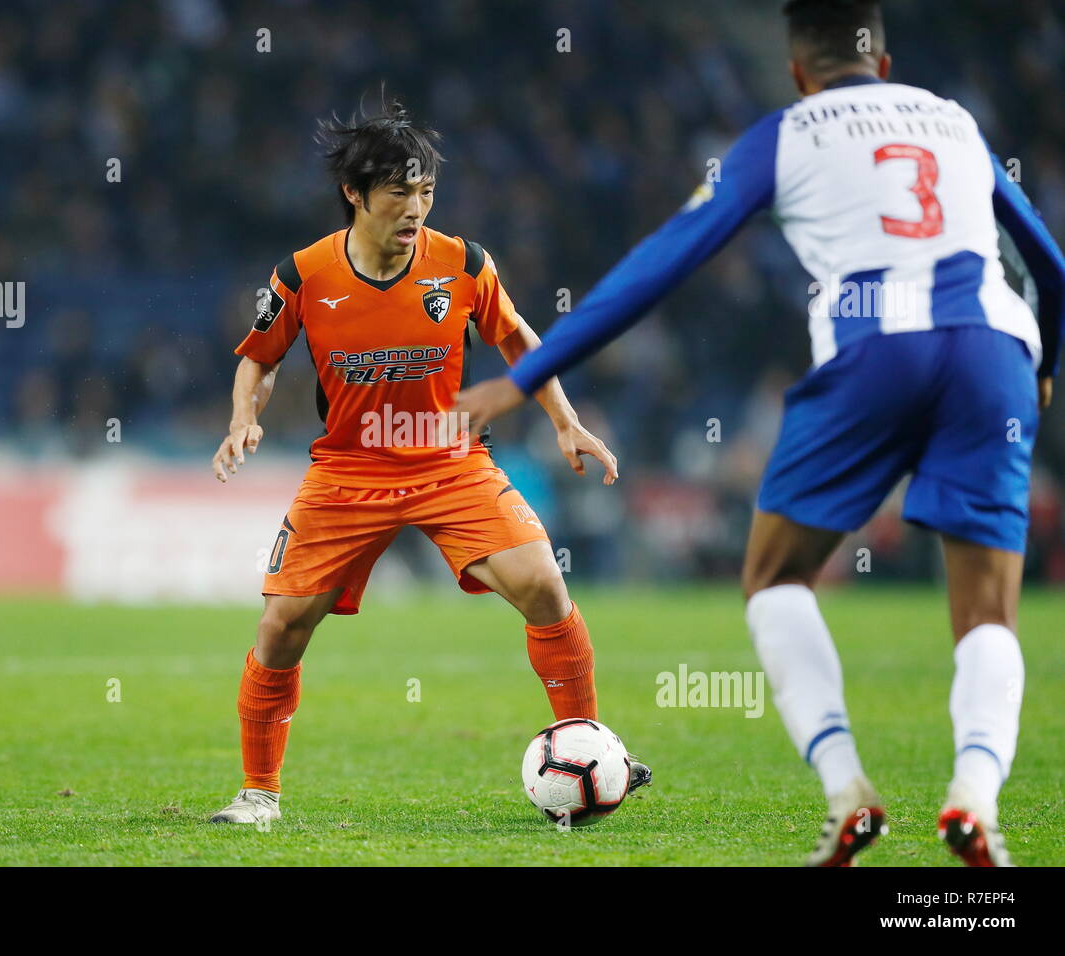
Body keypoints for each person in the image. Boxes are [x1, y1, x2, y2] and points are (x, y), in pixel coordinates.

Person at [455, 0, 1064, 866]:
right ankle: (974, 798)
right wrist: (1045, 366)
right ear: (885, 66)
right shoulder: (957, 123)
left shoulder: (787, 133)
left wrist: (521, 379)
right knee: (987, 610)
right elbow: (1051, 265)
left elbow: (664, 262)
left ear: (797, 74)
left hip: (874, 348)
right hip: (995, 351)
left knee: (775, 575)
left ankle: (848, 789)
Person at [208, 99, 641, 825]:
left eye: (427, 191)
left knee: (542, 582)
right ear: (355, 193)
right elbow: (259, 358)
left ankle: (592, 744)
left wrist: (566, 422)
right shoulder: (305, 274)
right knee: (282, 627)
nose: (417, 209)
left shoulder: (463, 262)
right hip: (349, 469)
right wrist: (242, 418)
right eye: (399, 193)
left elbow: (517, 337)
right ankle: (259, 795)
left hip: (448, 459)